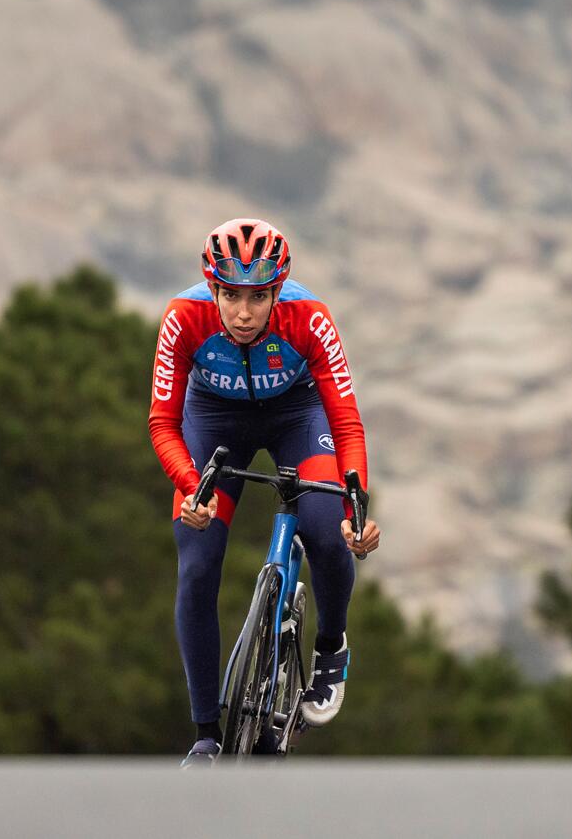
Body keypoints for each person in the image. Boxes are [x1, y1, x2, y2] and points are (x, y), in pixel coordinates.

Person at [148, 216, 381, 766]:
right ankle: (206, 733)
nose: (244, 311)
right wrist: (190, 488)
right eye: (230, 295)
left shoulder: (310, 319)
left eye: (258, 296)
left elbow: (346, 424)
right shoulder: (184, 319)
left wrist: (355, 506)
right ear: (213, 288)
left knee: (326, 532)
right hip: (212, 419)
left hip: (296, 415)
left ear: (278, 290)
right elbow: (162, 422)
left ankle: (330, 651)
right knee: (198, 564)